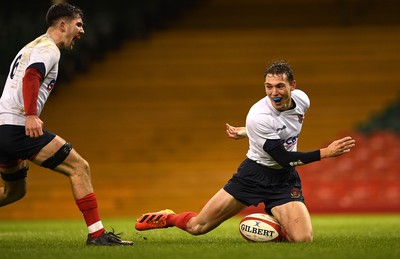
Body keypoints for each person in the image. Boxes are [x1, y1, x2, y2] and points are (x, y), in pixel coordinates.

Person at [135, 60, 356, 242]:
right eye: (269, 87)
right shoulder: (259, 115)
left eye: (280, 86)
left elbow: (279, 136)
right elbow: (284, 158)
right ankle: (168, 217)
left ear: (293, 86)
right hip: (253, 175)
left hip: (283, 181)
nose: (274, 93)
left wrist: (246, 132)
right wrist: (325, 152)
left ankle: (273, 224)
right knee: (198, 227)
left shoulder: (302, 101)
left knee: (303, 240)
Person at [0, 3, 133, 246]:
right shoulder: (49, 49)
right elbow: (31, 76)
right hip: (17, 125)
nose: (82, 31)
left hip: (3, 127)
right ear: (63, 25)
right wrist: (30, 115)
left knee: (14, 192)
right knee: (79, 167)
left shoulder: (33, 46)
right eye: (78, 24)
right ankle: (97, 234)